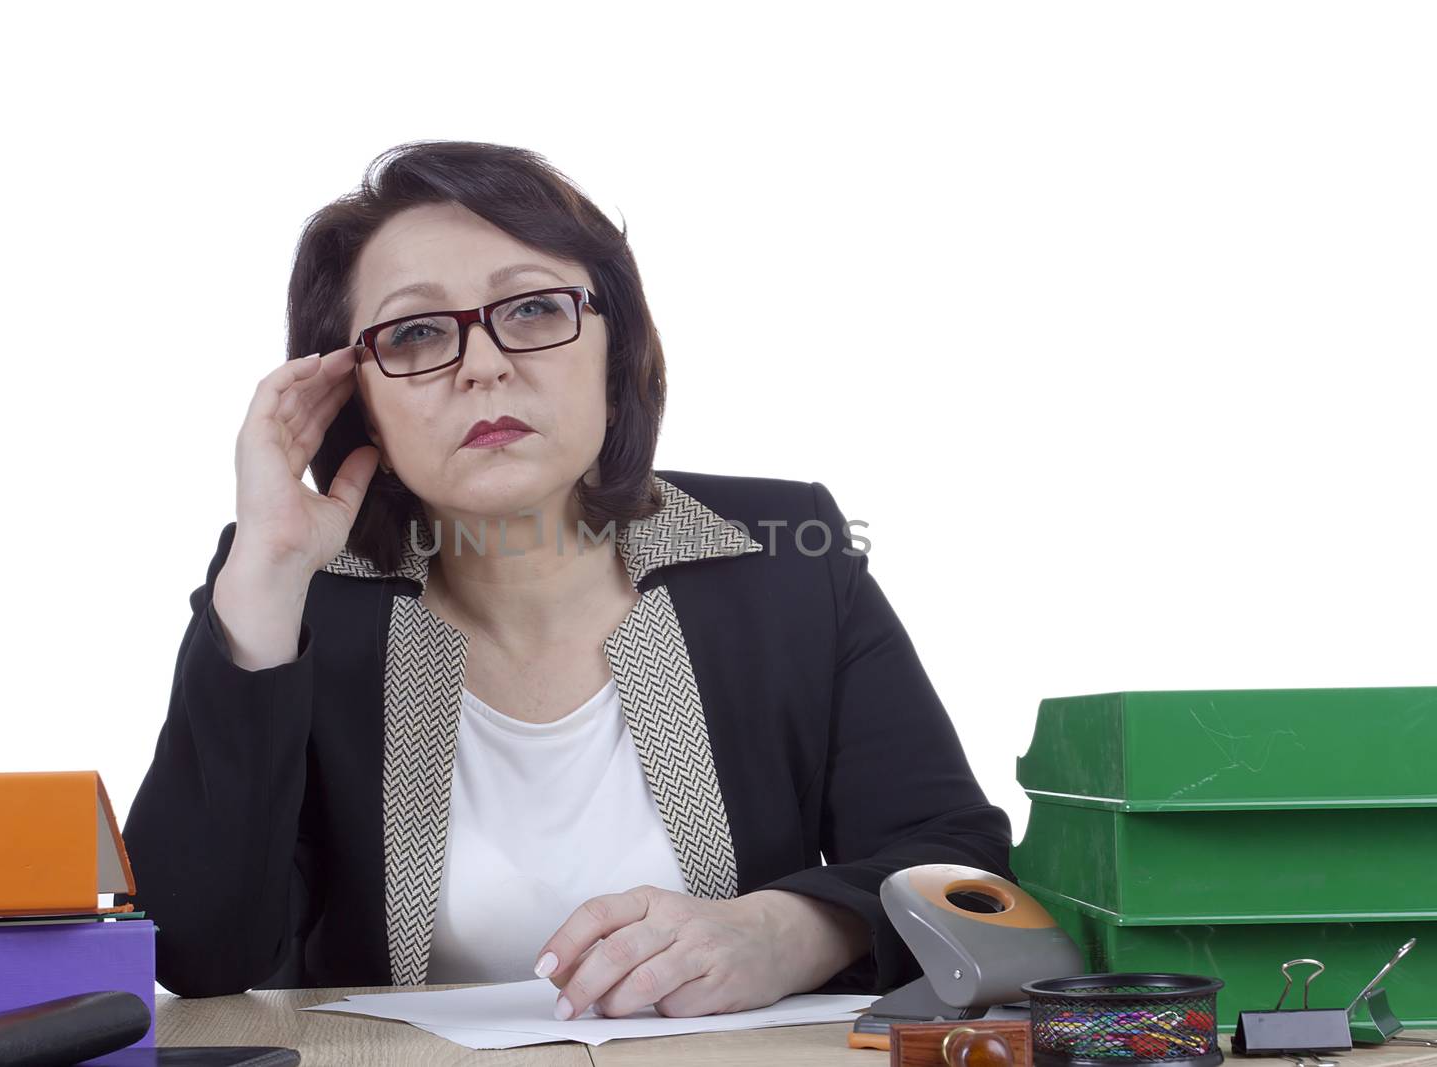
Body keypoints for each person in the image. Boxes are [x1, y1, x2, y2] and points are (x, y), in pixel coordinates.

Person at [118, 140, 1015, 1020]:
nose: (484, 364)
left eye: (536, 310)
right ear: (359, 405)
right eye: (417, 332)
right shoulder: (297, 591)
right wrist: (267, 578)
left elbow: (959, 862)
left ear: (615, 359)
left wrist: (787, 929)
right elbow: (198, 951)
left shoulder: (786, 554)